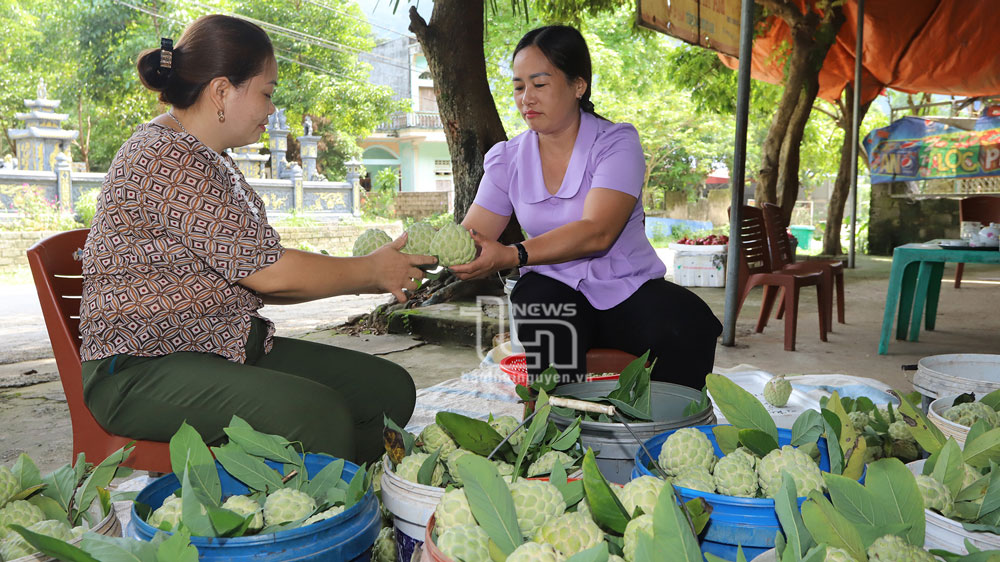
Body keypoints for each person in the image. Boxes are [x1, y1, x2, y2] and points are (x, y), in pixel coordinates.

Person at [78, 15, 435, 465]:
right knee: (316, 416)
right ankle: (314, 509)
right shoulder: (163, 156)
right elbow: (268, 273)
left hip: (219, 345)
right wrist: (369, 271)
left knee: (387, 392)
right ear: (222, 91)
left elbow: (256, 273)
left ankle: (346, 487)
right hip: (141, 369)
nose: (271, 109)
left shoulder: (211, 157)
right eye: (266, 93)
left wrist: (374, 276)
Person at [450, 25, 722, 389]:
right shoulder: (507, 159)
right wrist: (424, 250)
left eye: (540, 84)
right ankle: (554, 426)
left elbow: (598, 231)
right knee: (538, 302)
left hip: (627, 288)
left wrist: (512, 254)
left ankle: (670, 428)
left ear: (578, 85)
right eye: (518, 86)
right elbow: (473, 235)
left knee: (685, 321)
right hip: (553, 288)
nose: (526, 98)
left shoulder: (616, 143)